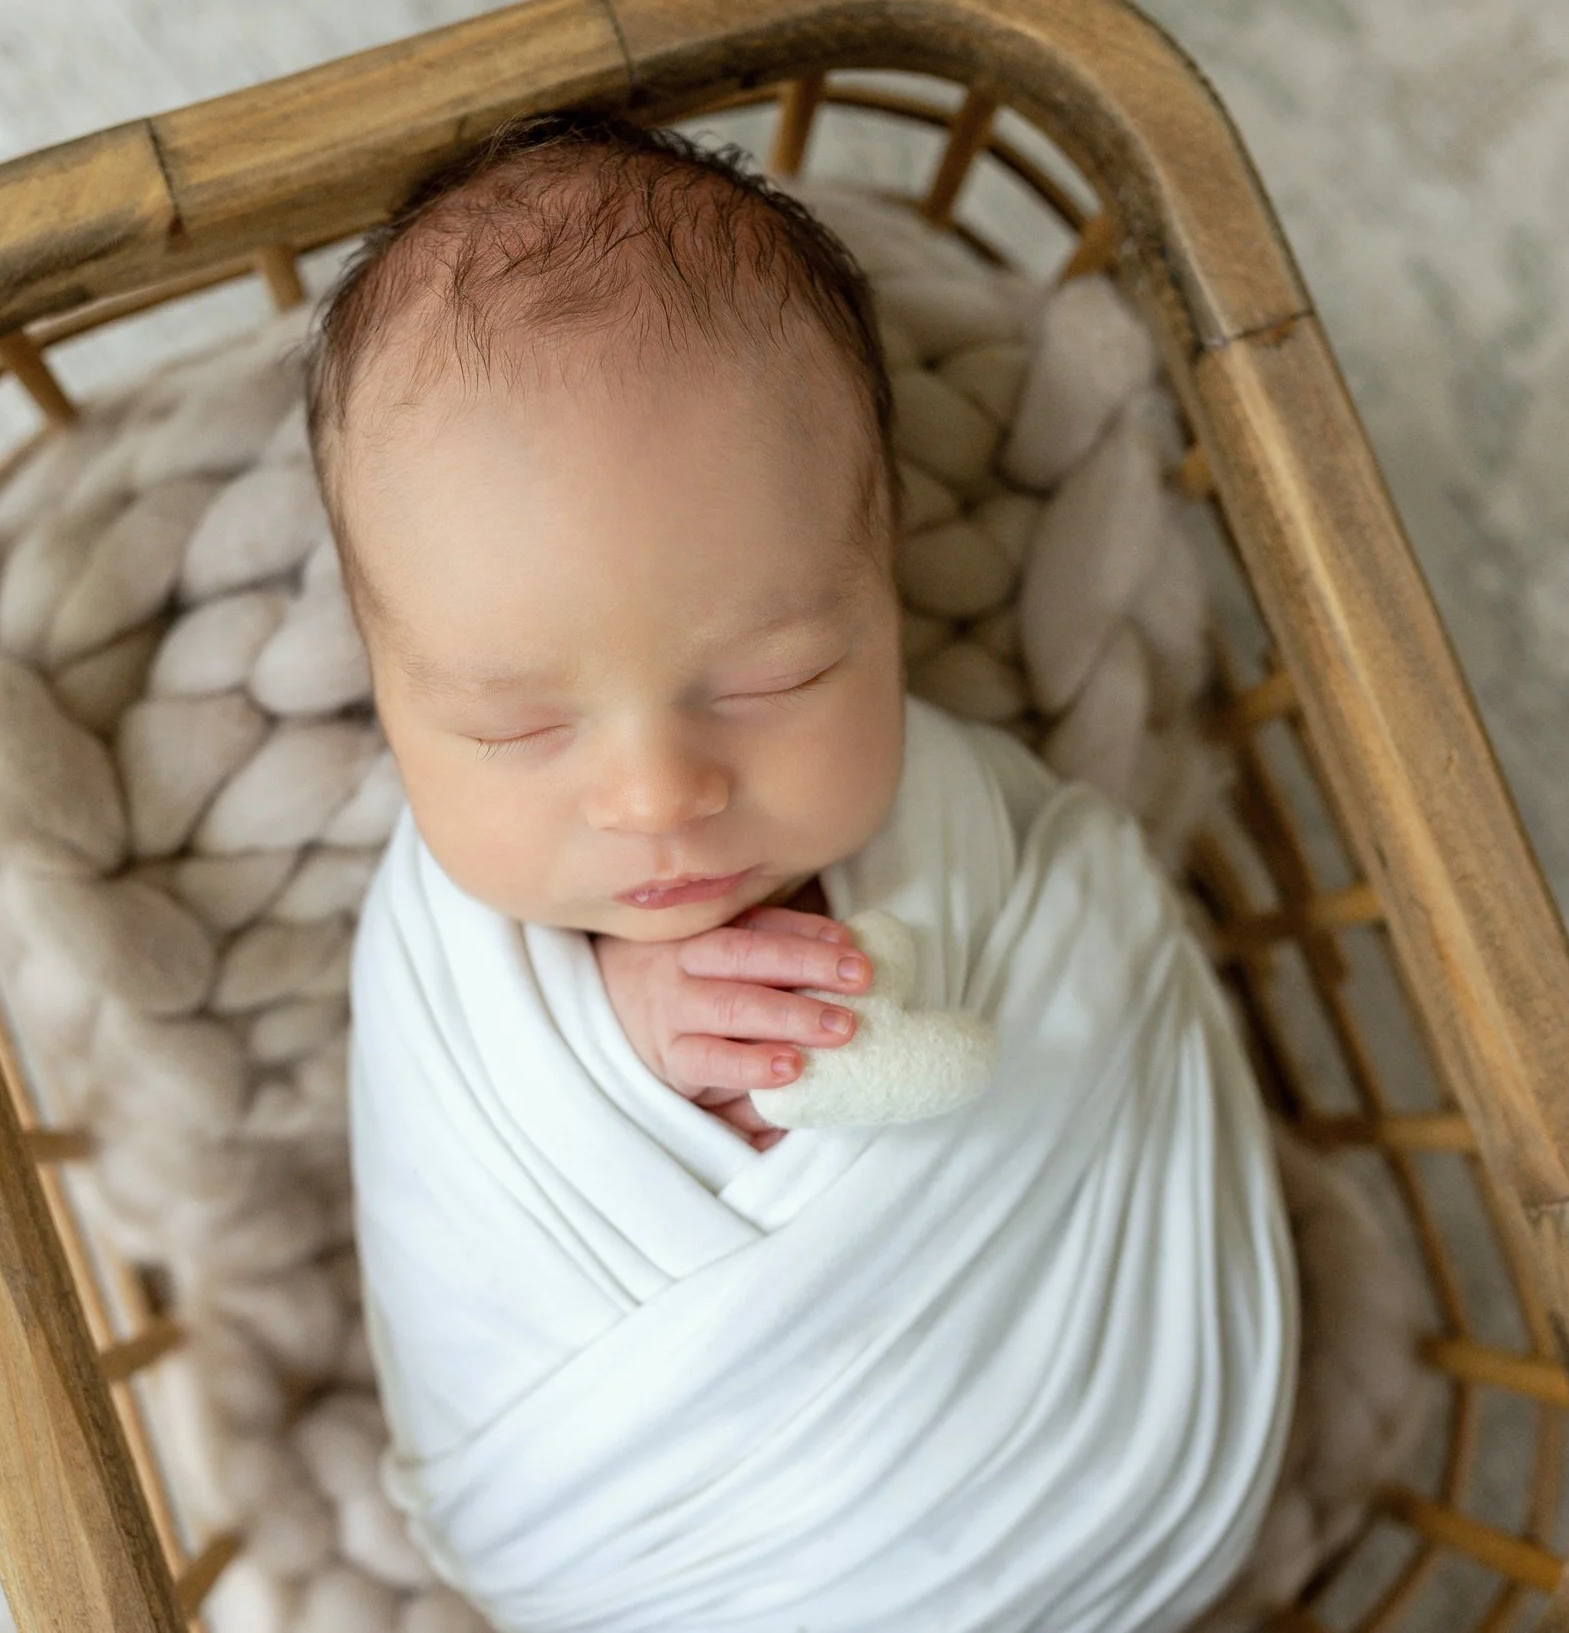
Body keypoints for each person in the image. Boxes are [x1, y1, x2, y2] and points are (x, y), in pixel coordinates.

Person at [307, 110, 1298, 1632]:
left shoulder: (986, 826)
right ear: (386, 694)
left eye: (772, 680)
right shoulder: (447, 960)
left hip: (1099, 1479)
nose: (657, 796)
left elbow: (1101, 996)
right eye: (518, 727)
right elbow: (470, 1186)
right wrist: (627, 1048)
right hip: (650, 1540)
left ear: (884, 595)